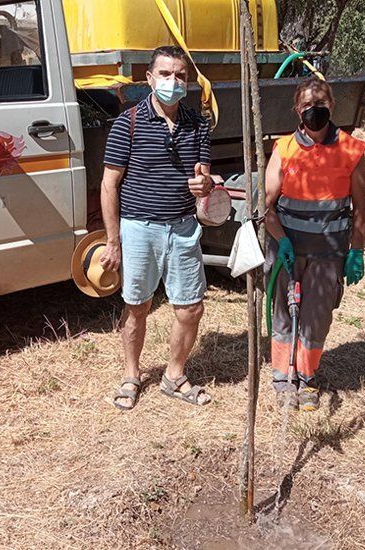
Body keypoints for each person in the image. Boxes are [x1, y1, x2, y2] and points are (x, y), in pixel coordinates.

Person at [99, 46, 215, 411]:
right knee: (137, 306)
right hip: (138, 229)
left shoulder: (198, 125)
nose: (172, 82)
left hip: (182, 228)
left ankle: (174, 375)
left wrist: (205, 186)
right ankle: (132, 375)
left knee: (190, 308)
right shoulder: (128, 123)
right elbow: (108, 185)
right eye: (165, 74)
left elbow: (204, 176)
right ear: (149, 79)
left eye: (180, 75)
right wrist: (113, 241)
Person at [264, 77, 365, 412]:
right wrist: (281, 241)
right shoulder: (284, 149)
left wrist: (355, 250)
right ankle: (283, 378)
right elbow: (265, 206)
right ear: (297, 109)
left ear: (332, 106)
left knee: (317, 317)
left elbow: (362, 207)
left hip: (328, 253)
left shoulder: (352, 150)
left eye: (321, 103)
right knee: (283, 314)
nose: (315, 110)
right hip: (287, 252)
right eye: (308, 105)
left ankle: (307, 379)